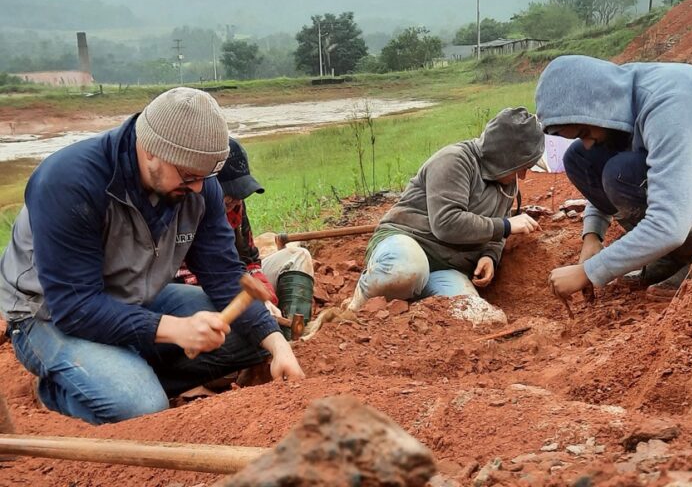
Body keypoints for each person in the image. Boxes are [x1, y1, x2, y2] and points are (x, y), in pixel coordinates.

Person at [0, 87, 305, 425]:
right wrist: (173, 329)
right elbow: (75, 307)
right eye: (189, 176)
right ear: (150, 152)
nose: (199, 189)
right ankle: (60, 391)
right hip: (48, 315)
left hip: (135, 299)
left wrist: (277, 345)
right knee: (141, 407)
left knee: (254, 338)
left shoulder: (197, 185)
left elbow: (222, 273)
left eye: (205, 178)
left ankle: (121, 371)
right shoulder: (69, 183)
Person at [536, 55, 692, 300]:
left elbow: (669, 224)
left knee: (623, 173)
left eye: (584, 131)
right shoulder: (621, 92)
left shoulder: (670, 106)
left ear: (598, 106)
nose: (587, 141)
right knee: (580, 158)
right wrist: (592, 236)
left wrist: (587, 272)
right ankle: (671, 256)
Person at [346, 107, 545, 311]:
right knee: (405, 272)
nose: (523, 176)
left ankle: (408, 305)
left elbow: (497, 233)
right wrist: (505, 225)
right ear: (505, 157)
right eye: (522, 167)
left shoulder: (507, 184)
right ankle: (356, 306)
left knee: (479, 317)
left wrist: (489, 256)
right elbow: (446, 223)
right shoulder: (454, 161)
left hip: (447, 267)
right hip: (408, 242)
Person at [175, 138, 315, 339]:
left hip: (237, 284)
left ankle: (289, 336)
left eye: (240, 195)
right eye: (229, 196)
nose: (236, 202)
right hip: (206, 295)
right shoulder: (187, 213)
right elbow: (191, 280)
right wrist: (251, 302)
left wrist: (265, 297)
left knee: (298, 256)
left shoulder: (236, 209)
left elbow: (249, 261)